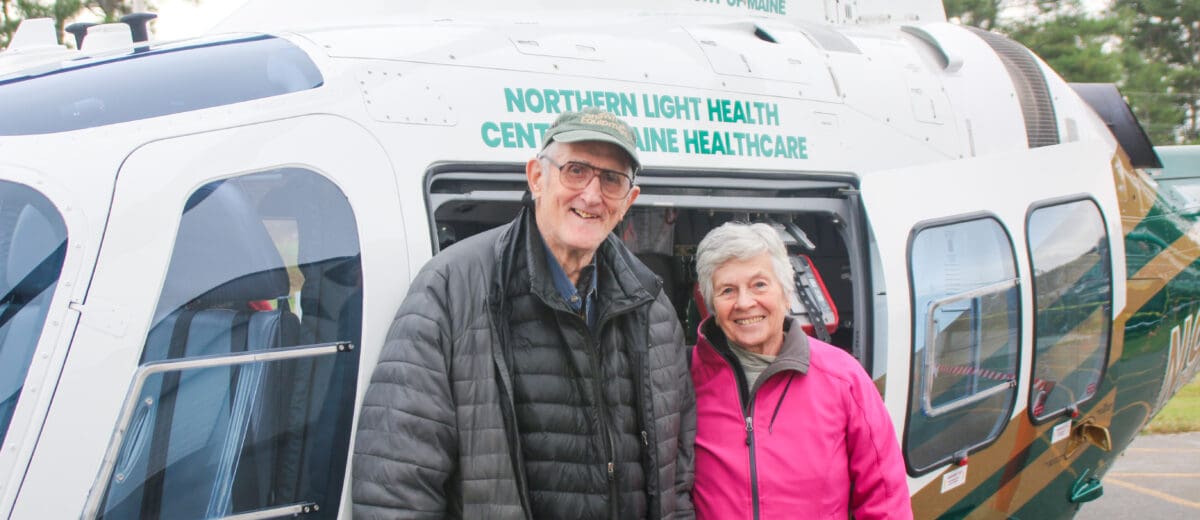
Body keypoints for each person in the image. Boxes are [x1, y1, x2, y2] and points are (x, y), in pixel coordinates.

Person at [352, 108, 696, 519]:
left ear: (628, 201)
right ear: (536, 176)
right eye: (575, 170)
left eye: (611, 179)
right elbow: (397, 482)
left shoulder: (651, 307)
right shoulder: (453, 287)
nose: (591, 194)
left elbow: (675, 478)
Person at [690, 222, 911, 519]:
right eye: (728, 290)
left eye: (759, 285)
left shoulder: (843, 378)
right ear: (712, 305)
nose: (744, 303)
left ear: (785, 292)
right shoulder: (683, 378)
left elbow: (884, 499)